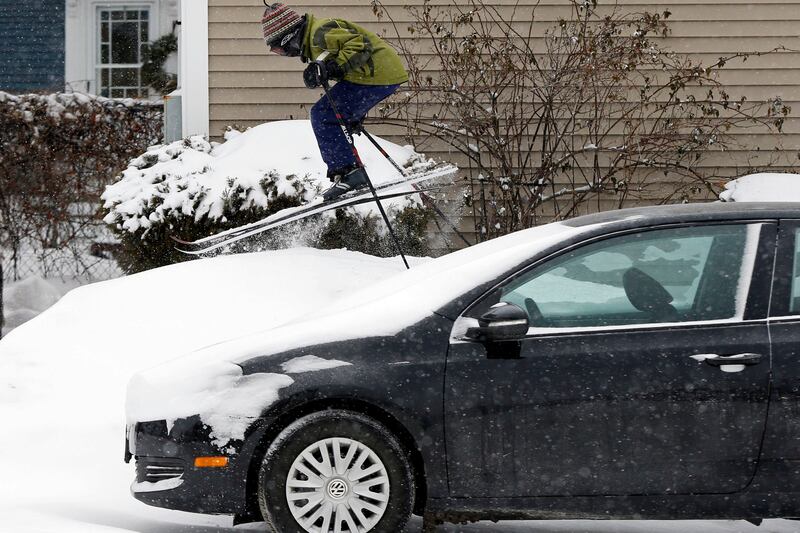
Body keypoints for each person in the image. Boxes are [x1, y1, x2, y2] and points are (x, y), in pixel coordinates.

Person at [260, 3, 409, 201]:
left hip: (377, 74)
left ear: (289, 37)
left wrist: (332, 68)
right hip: (373, 76)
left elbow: (360, 45)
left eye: (280, 48)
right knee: (332, 114)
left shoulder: (320, 32)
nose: (282, 53)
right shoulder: (313, 41)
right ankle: (348, 173)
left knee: (322, 115)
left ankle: (349, 172)